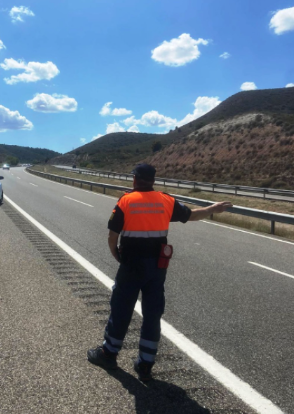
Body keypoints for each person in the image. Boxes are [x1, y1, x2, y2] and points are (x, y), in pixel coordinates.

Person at [87, 163, 232, 381]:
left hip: (131, 264)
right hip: (157, 266)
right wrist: (212, 208)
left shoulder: (126, 200)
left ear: (135, 179)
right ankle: (145, 363)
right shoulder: (166, 200)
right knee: (153, 312)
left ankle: (109, 353)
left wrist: (115, 253)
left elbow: (112, 234)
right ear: (153, 181)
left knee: (121, 307)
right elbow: (190, 215)